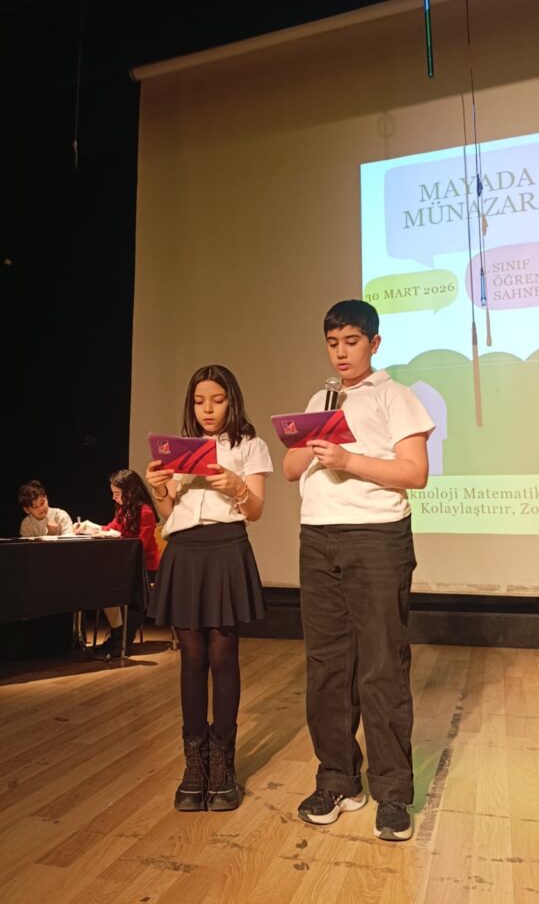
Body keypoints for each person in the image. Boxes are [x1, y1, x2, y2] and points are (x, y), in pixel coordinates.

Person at [282, 299, 434, 842]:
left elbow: (415, 472)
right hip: (318, 537)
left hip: (376, 537)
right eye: (332, 343)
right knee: (325, 664)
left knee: (381, 665)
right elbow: (290, 468)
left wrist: (347, 461)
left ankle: (392, 792)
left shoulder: (396, 395)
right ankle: (338, 779)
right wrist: (311, 442)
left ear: (374, 343)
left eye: (351, 341)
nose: (341, 353)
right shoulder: (320, 398)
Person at [146, 364, 273, 813]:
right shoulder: (179, 449)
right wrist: (159, 488)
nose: (208, 409)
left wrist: (236, 485)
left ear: (231, 401)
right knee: (192, 658)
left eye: (217, 400)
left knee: (222, 655)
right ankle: (194, 765)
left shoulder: (250, 445)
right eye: (200, 401)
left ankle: (223, 763)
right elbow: (169, 513)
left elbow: (255, 510)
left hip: (226, 548)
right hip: (184, 550)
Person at [76, 469, 160, 658]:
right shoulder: (123, 509)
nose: (113, 497)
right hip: (126, 565)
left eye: (116, 493)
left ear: (129, 492)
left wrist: (116, 534)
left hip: (145, 567)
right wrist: (91, 528)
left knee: (124, 592)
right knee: (104, 586)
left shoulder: (145, 512)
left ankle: (120, 639)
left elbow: (140, 545)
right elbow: (112, 527)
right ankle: (118, 634)